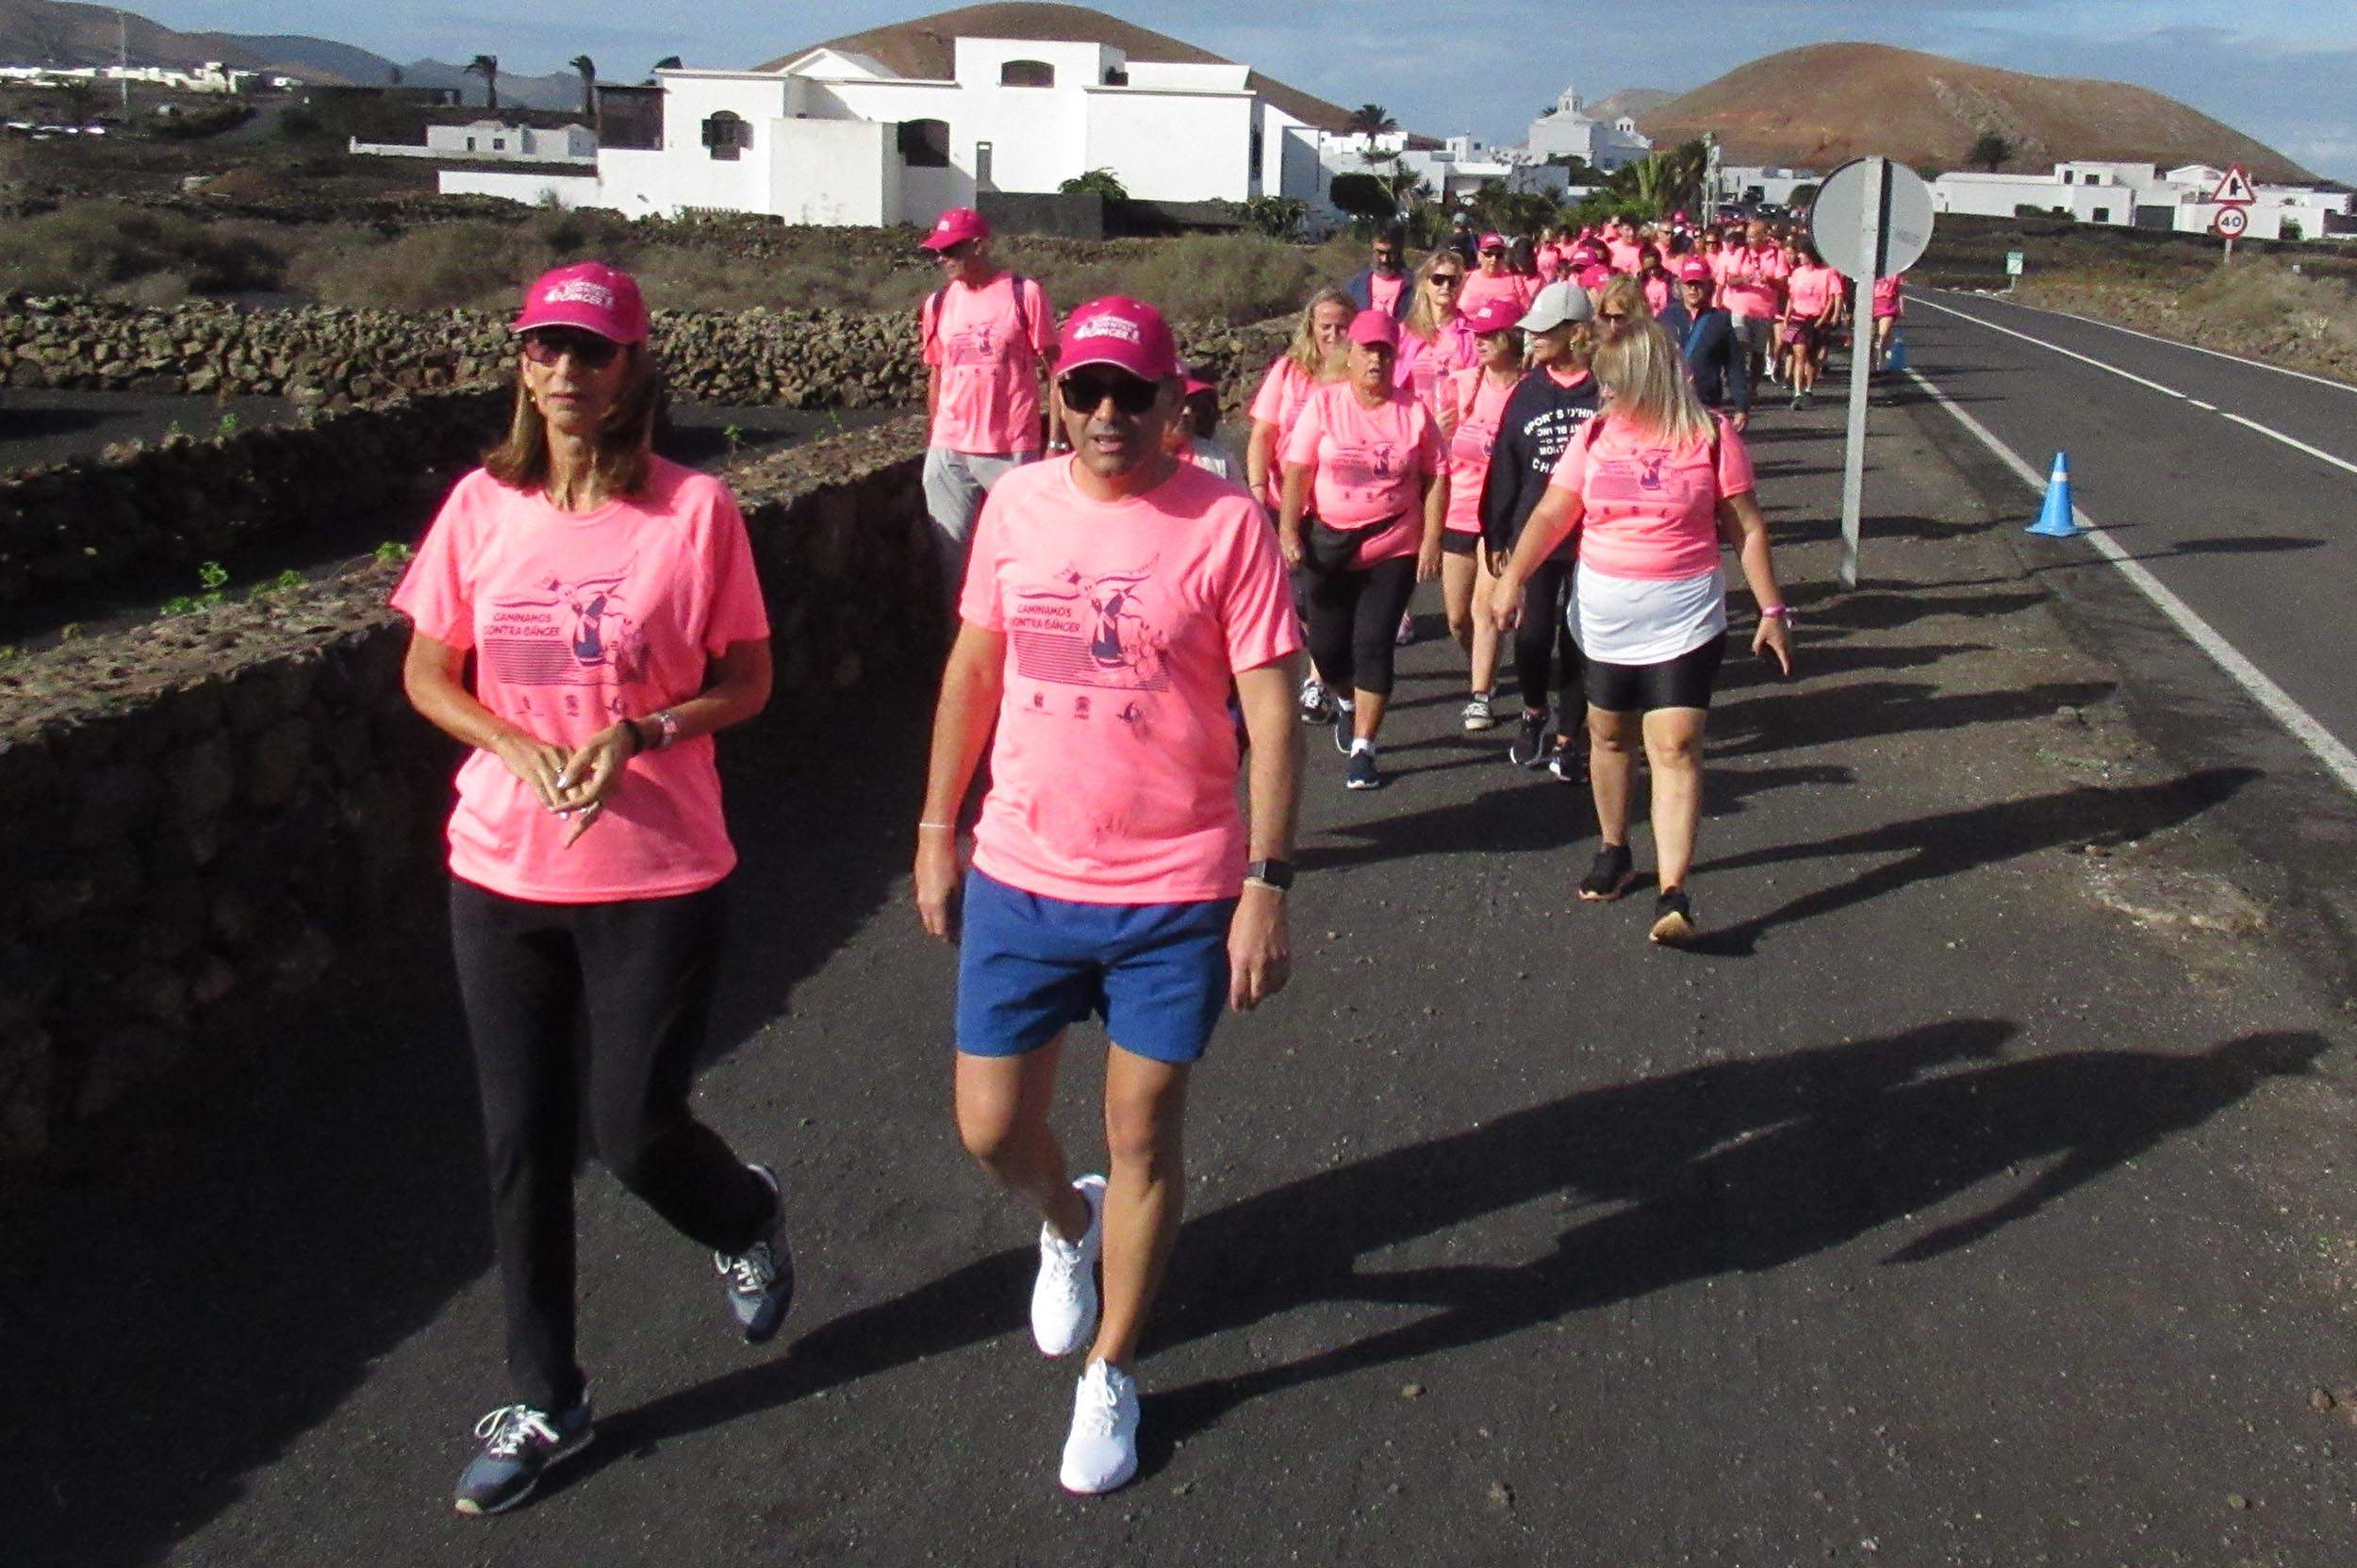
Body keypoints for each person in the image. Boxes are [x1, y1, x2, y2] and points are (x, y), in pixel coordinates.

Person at [392, 262, 790, 1517]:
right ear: (522, 364)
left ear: (632, 370)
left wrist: (647, 729)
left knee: (631, 1129)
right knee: (522, 1138)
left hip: (657, 871)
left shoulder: (693, 512)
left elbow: (748, 678)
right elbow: (428, 669)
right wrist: (508, 742)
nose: (564, 370)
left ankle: (742, 1214)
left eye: (591, 351)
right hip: (500, 867)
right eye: (544, 348)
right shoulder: (481, 504)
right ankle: (546, 1395)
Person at [914, 295, 1304, 1496]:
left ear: (1173, 400)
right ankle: (1065, 1223)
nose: (1106, 412)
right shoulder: (1016, 505)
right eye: (1084, 390)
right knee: (990, 1126)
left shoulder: (1225, 523)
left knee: (1141, 1128)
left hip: (1172, 883)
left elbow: (1273, 712)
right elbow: (975, 666)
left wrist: (1268, 880)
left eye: (1132, 392)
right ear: (1054, 395)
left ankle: (1113, 1366)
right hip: (1022, 869)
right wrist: (935, 828)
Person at [1487, 320, 1794, 946]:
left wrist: (1772, 610)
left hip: (1684, 615)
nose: (1602, 394)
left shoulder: (1711, 436)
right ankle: (1615, 848)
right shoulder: (1597, 434)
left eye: (1612, 384)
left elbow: (1746, 528)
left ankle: (1674, 892)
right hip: (1604, 617)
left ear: (1646, 379)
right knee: (1608, 735)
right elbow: (1554, 510)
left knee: (1675, 744)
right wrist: (1513, 576)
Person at [1277, 310, 1447, 791]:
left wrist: (1431, 539)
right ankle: (1346, 701)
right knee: (1328, 649)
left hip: (1392, 542)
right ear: (1350, 355)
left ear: (1395, 359)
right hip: (1329, 543)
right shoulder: (1325, 404)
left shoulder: (1414, 413)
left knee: (1373, 643)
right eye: (1368, 351)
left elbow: (1437, 475)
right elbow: (1298, 471)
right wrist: (1288, 531)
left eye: (1385, 352)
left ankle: (1364, 748)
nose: (1376, 360)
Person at [1479, 280, 1603, 776]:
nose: (1533, 338)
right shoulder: (1527, 392)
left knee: (1578, 639)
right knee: (1531, 637)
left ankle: (1570, 736)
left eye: (1546, 330)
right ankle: (1534, 711)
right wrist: (1496, 532)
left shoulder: (1605, 389)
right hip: (1536, 534)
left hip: (1593, 536)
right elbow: (1505, 464)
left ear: (1575, 332)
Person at [918, 207, 1059, 613]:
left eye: (951, 250)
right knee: (951, 561)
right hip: (949, 450)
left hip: (1010, 447)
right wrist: (935, 439)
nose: (943, 258)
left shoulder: (1023, 294)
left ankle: (1018, 634)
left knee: (1020, 556)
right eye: (938, 251)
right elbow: (937, 373)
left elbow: (1056, 370)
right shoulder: (938, 303)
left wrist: (1054, 442)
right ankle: (958, 640)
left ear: (978, 246)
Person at [1245, 288, 1354, 723]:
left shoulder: (1356, 374)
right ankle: (1332, 666)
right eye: (1325, 325)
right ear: (1310, 326)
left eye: (1342, 326)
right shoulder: (1289, 371)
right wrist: (1256, 489)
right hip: (1282, 498)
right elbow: (1262, 434)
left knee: (1322, 595)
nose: (1333, 334)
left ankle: (1318, 681)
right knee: (1296, 599)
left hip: (1332, 505)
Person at [1437, 295, 1524, 730]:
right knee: (1457, 619)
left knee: (1483, 608)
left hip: (1501, 516)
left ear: (1511, 339)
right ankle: (1483, 663)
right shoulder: (1462, 385)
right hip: (1459, 509)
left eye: (1491, 335)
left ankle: (1480, 695)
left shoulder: (1528, 391)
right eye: (1477, 335)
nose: (1481, 342)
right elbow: (1434, 448)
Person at [1654, 257, 1751, 430]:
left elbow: (1734, 366)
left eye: (1698, 284)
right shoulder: (1665, 318)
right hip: (1669, 405)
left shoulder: (1720, 320)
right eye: (1689, 284)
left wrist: (1741, 406)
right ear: (1680, 286)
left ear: (1708, 286)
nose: (1693, 289)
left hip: (1707, 406)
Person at [1394, 250, 1477, 416]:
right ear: (1425, 284)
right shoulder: (1405, 333)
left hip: (1456, 423)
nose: (1445, 286)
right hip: (1413, 422)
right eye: (1438, 279)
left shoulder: (1471, 335)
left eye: (1453, 281)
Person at [1720, 219, 1788, 403]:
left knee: (1758, 352)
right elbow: (1730, 280)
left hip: (1763, 311)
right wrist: (1743, 279)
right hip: (1741, 307)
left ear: (1764, 237)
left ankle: (1753, 387)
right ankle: (1738, 384)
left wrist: (1769, 280)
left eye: (1753, 237)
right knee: (1739, 345)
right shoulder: (1741, 253)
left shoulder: (1777, 255)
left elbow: (1783, 284)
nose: (1749, 240)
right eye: (1748, 236)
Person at [1779, 237, 1842, 410]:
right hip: (1798, 318)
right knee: (1799, 354)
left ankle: (1808, 389)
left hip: (1816, 320)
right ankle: (1797, 393)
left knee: (1811, 357)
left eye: (1801, 253)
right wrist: (1786, 318)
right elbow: (1792, 298)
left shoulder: (1827, 273)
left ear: (1810, 254)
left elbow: (1834, 296)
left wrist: (1827, 316)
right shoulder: (1797, 273)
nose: (1798, 256)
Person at [1170, 366, 1238, 479]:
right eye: (1177, 404)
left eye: (1195, 405)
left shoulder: (1221, 461)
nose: (1188, 411)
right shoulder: (1137, 465)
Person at [1344, 223, 1415, 322]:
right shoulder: (1355, 287)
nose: (1385, 259)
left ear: (1400, 251)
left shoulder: (1416, 287)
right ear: (1371, 249)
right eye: (1380, 252)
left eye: (1391, 253)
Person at [1458, 233, 1535, 320]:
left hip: (1506, 328)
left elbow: (1527, 313)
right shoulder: (1465, 278)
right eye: (1488, 254)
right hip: (1469, 327)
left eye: (1499, 255)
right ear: (1479, 256)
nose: (1494, 259)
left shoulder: (1515, 281)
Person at [1871, 271, 1904, 372]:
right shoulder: (1870, 270)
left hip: (1887, 306)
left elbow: (1899, 291)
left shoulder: (1894, 273)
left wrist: (1901, 306)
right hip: (1870, 304)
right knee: (1870, 337)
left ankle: (1881, 356)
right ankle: (1871, 363)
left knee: (1883, 333)